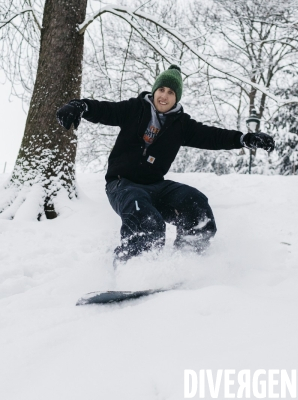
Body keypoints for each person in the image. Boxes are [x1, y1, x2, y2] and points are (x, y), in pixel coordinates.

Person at [56, 65, 275, 265]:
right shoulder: (135, 109)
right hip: (122, 185)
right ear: (154, 91)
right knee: (145, 217)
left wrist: (244, 139)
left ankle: (187, 262)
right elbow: (106, 110)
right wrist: (81, 106)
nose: (164, 96)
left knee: (196, 203)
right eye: (161, 90)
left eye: (171, 92)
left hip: (155, 186)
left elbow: (212, 136)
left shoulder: (181, 124)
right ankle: (133, 267)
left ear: (176, 97)